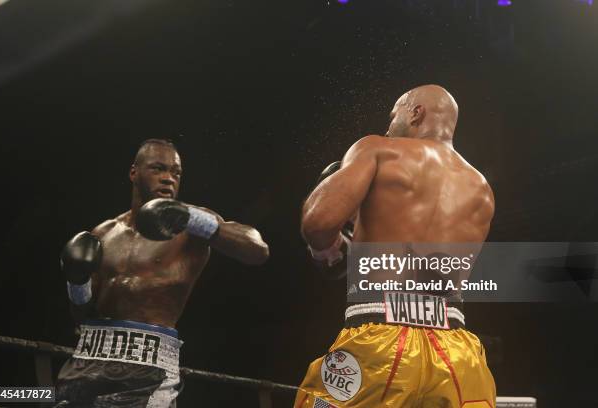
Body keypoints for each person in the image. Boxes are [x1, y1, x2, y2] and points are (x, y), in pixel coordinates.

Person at [295, 85, 496, 407]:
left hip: (381, 341)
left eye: (393, 115)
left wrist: (330, 251)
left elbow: (318, 223)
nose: (388, 127)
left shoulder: (378, 150)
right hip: (458, 355)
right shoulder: (481, 187)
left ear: (415, 112)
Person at [56, 138, 269, 407]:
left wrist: (190, 218)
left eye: (175, 172)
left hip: (148, 366)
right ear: (134, 172)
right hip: (88, 357)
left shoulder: (188, 228)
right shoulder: (103, 233)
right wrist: (77, 282)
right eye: (158, 169)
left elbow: (257, 249)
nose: (168, 178)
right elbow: (82, 316)